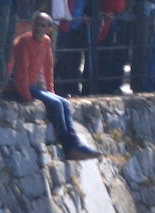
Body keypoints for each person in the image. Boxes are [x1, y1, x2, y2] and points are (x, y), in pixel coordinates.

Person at [6, 12, 101, 160]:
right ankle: (69, 146)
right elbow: (20, 73)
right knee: (56, 104)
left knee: (64, 102)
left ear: (49, 28)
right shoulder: (24, 42)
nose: (38, 28)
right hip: (20, 87)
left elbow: (48, 67)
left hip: (33, 86)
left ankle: (74, 144)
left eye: (43, 25)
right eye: (37, 24)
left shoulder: (46, 41)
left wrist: (50, 90)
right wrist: (26, 96)